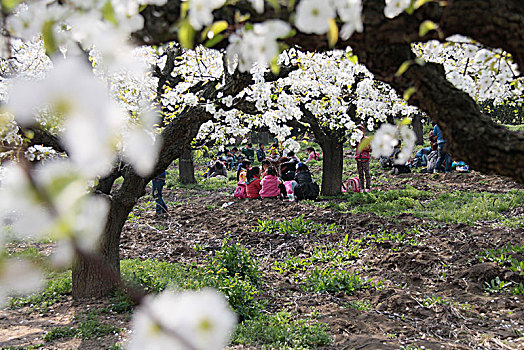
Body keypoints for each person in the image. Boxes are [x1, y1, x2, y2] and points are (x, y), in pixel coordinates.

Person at [354, 125, 372, 192]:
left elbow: (370, 148)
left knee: (366, 173)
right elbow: (353, 146)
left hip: (365, 158)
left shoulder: (366, 139)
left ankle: (368, 187)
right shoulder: (356, 139)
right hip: (358, 158)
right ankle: (362, 187)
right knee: (360, 173)